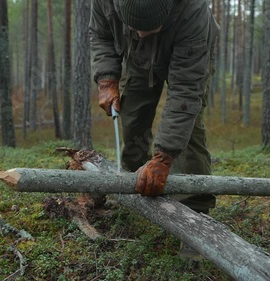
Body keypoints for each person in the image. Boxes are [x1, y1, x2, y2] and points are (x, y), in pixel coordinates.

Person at [89, 0, 218, 232]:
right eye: (135, 27)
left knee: (189, 131)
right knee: (132, 116)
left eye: (150, 28)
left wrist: (164, 157)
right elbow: (101, 35)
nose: (142, 34)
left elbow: (185, 93)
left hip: (189, 49)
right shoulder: (105, 3)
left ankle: (195, 212)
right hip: (136, 55)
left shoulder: (192, 11)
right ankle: (134, 187)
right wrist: (106, 77)